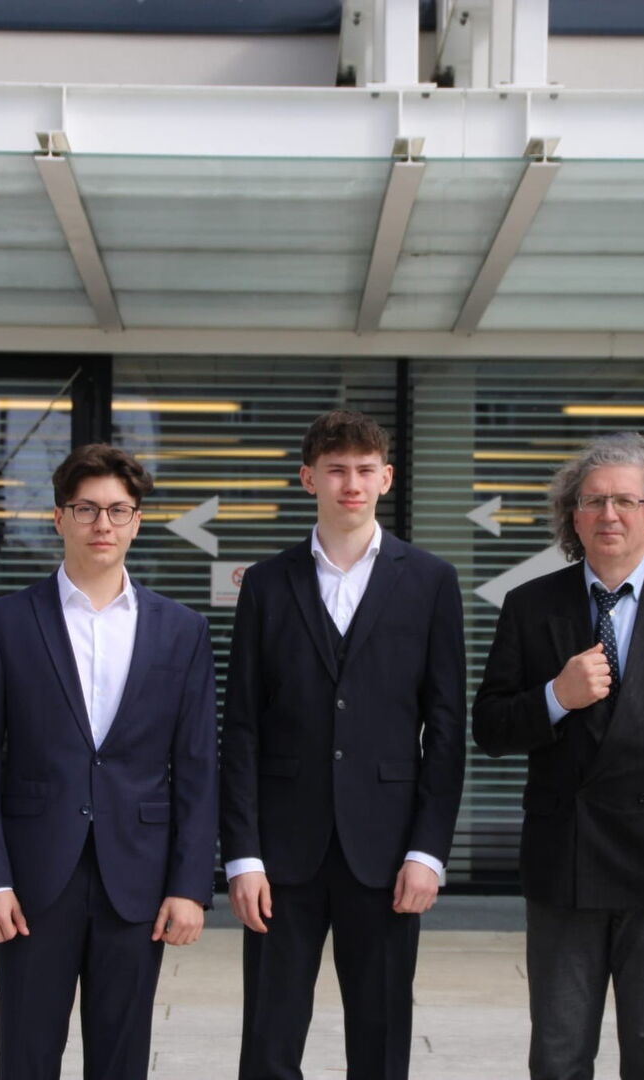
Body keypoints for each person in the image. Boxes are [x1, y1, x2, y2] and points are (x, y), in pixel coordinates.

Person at [473, 431, 644, 1080]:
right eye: (593, 501)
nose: (609, 515)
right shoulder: (530, 606)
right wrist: (555, 696)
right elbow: (490, 727)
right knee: (559, 1054)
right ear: (572, 517)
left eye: (626, 501)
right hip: (564, 861)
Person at [0, 443, 218, 1080]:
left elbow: (198, 766)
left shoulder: (182, 630)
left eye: (119, 510)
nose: (103, 524)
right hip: (33, 880)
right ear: (59, 518)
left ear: (137, 522)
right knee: (27, 1056)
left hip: (139, 878)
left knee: (122, 1061)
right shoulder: (5, 623)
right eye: (87, 509)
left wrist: (189, 886)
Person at [220, 409, 467, 1080]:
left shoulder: (430, 581)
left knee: (381, 1042)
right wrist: (242, 855)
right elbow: (240, 727)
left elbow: (446, 728)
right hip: (281, 853)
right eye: (336, 470)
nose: (350, 484)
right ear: (309, 479)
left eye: (364, 470)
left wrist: (428, 851)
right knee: (268, 1042)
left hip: (387, 852)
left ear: (386, 478)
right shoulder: (267, 583)